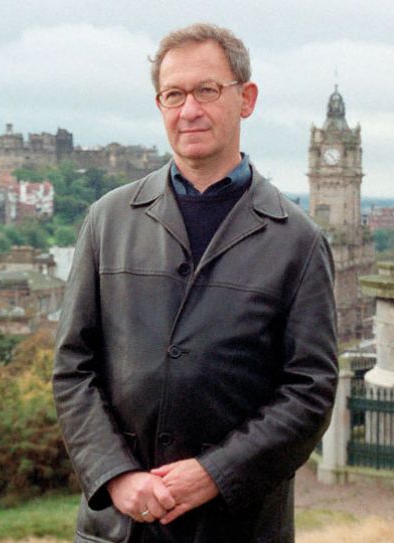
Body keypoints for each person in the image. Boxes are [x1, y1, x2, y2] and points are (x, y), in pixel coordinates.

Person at [52, 23, 338, 543]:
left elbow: (310, 391)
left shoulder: (299, 241)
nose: (189, 110)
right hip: (119, 528)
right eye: (174, 95)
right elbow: (73, 366)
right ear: (159, 105)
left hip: (240, 528)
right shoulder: (106, 220)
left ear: (246, 99)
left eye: (207, 90)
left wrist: (215, 474)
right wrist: (115, 475)